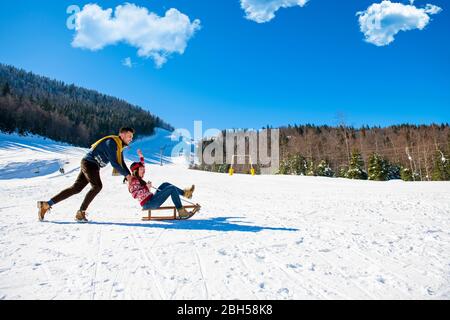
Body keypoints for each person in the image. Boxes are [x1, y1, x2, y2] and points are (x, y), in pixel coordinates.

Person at [37, 127, 135, 223]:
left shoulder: (119, 147)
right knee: (97, 186)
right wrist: (127, 176)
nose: (131, 139)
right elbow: (115, 163)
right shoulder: (112, 142)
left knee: (76, 188)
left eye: (131, 137)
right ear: (122, 135)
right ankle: (80, 213)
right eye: (129, 136)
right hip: (90, 163)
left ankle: (46, 204)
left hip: (90, 164)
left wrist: (129, 175)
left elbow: (121, 162)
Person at [128, 149, 195, 218]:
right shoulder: (133, 181)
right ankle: (181, 211)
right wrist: (146, 187)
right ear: (136, 171)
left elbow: (142, 165)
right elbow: (135, 195)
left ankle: (186, 193)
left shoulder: (138, 179)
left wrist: (141, 157)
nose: (143, 171)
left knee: (165, 184)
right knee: (171, 188)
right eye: (141, 169)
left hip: (151, 199)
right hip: (149, 204)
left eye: (143, 169)